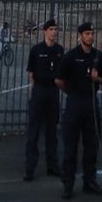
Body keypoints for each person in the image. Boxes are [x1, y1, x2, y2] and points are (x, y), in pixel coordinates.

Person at [56, 20, 102, 199]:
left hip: (91, 102)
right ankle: (68, 184)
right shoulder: (70, 56)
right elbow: (59, 80)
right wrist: (71, 92)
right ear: (80, 36)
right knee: (70, 146)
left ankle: (90, 181)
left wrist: (97, 79)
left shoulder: (98, 56)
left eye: (92, 34)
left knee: (91, 145)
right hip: (74, 103)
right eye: (87, 34)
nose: (90, 37)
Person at [24, 18, 65, 181]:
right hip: (40, 90)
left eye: (56, 29)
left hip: (53, 92)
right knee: (33, 132)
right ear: (45, 31)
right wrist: (34, 91)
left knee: (52, 132)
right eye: (51, 29)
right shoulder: (36, 50)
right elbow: (31, 73)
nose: (54, 32)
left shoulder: (60, 50)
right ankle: (29, 168)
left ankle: (52, 165)